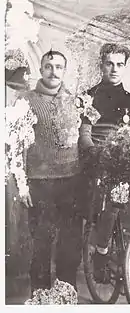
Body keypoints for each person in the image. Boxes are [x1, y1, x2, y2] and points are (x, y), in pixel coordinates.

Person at [78, 43, 130, 283]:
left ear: (125, 67)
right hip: (98, 160)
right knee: (115, 201)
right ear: (102, 65)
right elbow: (85, 133)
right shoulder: (90, 96)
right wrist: (95, 152)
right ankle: (101, 254)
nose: (114, 69)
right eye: (110, 63)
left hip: (123, 159)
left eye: (120, 64)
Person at [20, 50, 83, 293]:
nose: (54, 71)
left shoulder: (75, 100)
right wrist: (23, 185)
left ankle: (66, 295)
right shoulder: (26, 100)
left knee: (70, 243)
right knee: (42, 242)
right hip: (41, 182)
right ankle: (40, 296)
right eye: (49, 66)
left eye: (58, 67)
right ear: (41, 70)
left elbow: (85, 133)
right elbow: (15, 145)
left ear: (64, 71)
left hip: (72, 180)